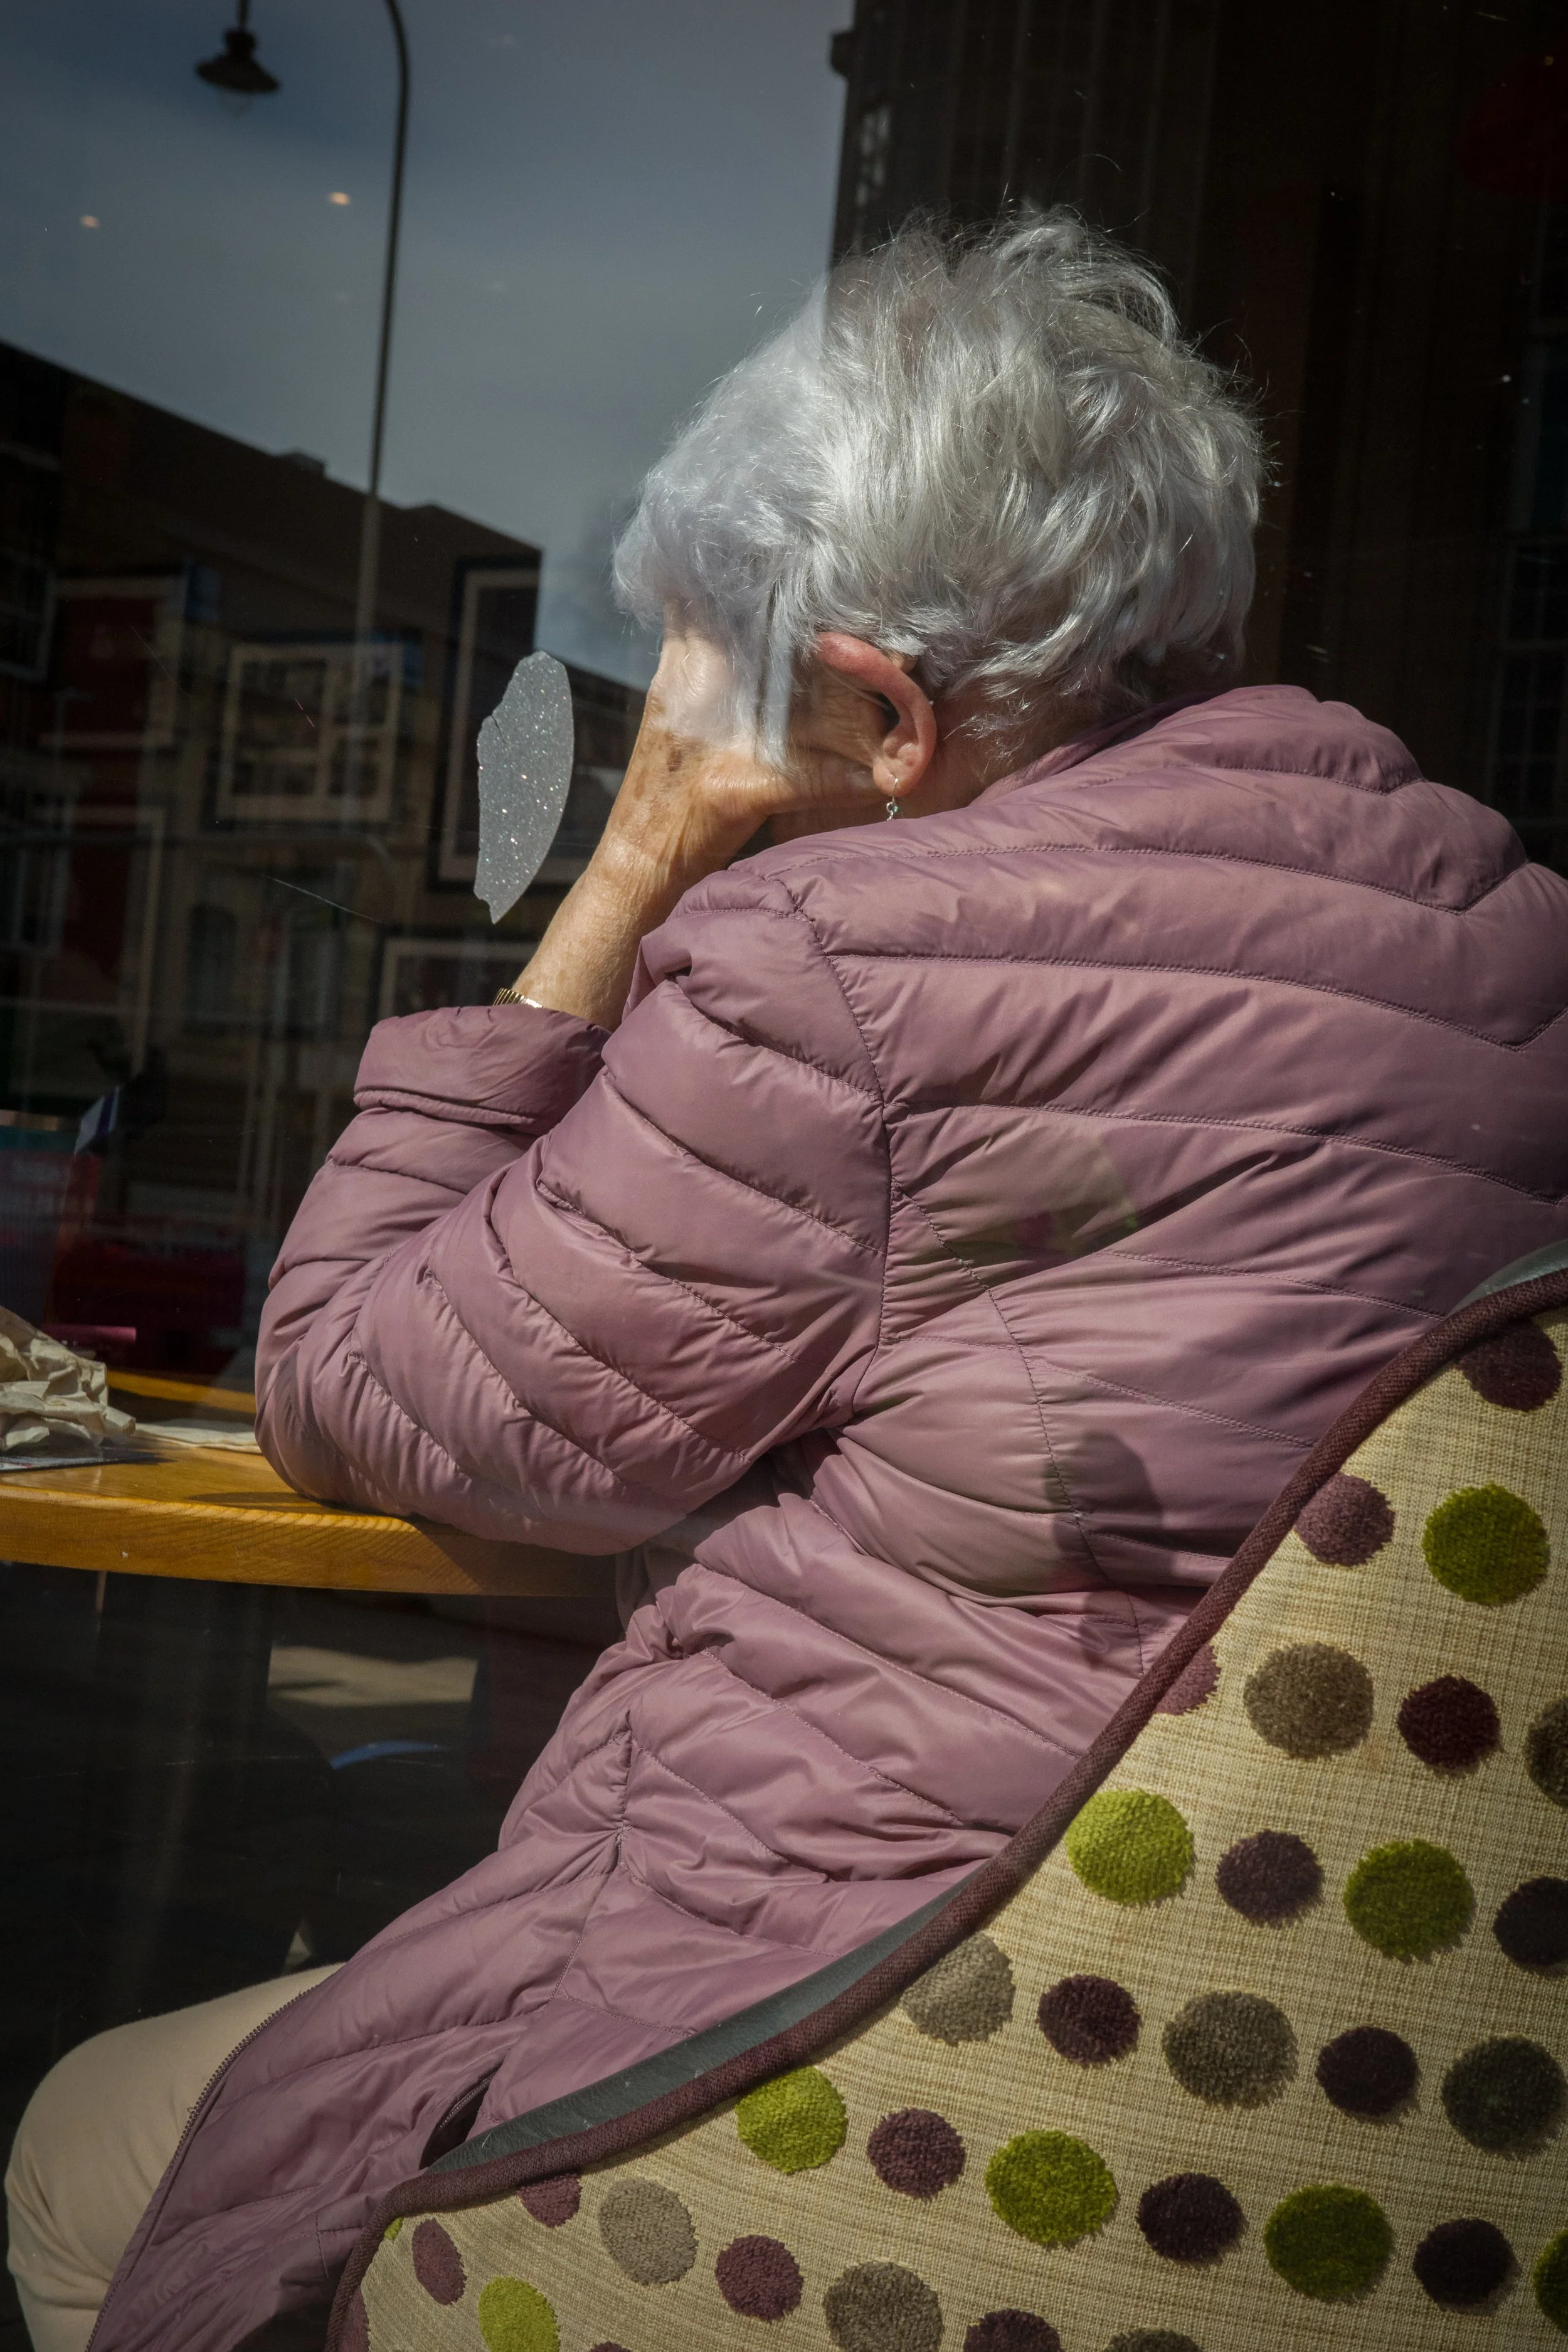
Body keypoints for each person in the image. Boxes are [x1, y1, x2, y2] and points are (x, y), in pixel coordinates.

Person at [12, 215, 1568, 2352]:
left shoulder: (848, 974)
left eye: (695, 668)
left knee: (82, 2148)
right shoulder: (1503, 923)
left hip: (888, 2074)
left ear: (882, 711)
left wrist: (632, 859)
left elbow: (347, 1370)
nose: (669, 713)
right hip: (1345, 2103)